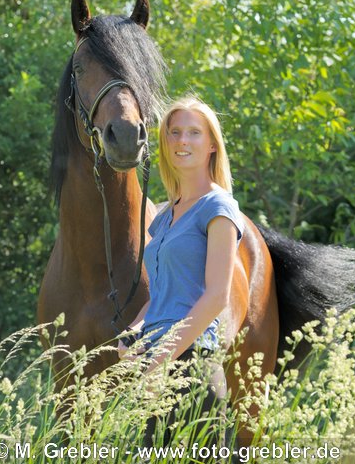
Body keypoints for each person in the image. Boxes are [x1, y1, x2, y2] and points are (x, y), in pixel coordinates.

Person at [118, 95, 244, 459]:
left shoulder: (219, 208)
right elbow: (162, 296)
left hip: (193, 369)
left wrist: (160, 359)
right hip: (154, 374)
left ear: (211, 146)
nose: (182, 141)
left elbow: (217, 296)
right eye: (174, 132)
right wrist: (134, 330)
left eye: (193, 132)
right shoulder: (163, 216)